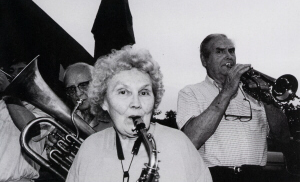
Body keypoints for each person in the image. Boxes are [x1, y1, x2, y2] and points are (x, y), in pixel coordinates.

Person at [66, 46, 212, 182]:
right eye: (123, 92)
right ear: (104, 102)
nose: (136, 103)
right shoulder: (89, 148)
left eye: (144, 92)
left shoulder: (180, 144)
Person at [176, 34, 293, 182]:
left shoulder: (254, 93)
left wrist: (268, 101)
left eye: (231, 51)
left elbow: (283, 137)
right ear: (204, 60)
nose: (228, 56)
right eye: (220, 51)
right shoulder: (190, 92)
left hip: (256, 176)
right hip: (213, 176)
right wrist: (228, 90)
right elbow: (192, 139)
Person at [0, 59, 51, 182]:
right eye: (11, 71)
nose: (13, 75)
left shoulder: (44, 108)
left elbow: (31, 128)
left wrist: (8, 91)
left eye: (21, 70)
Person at [63, 62, 112, 131]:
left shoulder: (114, 121)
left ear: (97, 84)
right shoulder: (65, 122)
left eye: (83, 85)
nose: (78, 93)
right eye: (71, 89)